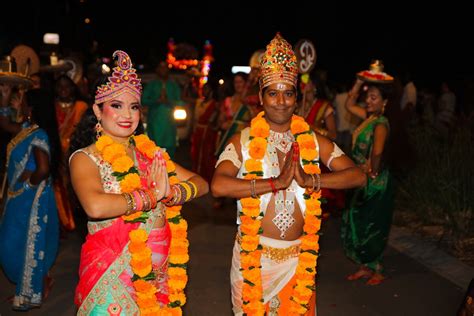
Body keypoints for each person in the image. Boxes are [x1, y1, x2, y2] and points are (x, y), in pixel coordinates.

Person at [211, 33, 366, 315]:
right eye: (273, 92)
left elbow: (357, 176)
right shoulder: (243, 141)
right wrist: (274, 183)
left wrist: (311, 180)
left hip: (298, 261)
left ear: (297, 97)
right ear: (261, 97)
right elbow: (219, 186)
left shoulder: (313, 140)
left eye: (288, 92)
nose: (281, 101)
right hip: (253, 262)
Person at [69, 51, 208, 315]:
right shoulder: (85, 158)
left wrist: (174, 193)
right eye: (116, 105)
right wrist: (151, 196)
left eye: (134, 106)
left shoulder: (149, 153)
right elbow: (95, 206)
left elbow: (201, 184)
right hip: (111, 270)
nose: (127, 115)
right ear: (98, 111)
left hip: (159, 269)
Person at [0, 83, 59, 311]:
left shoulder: (39, 134)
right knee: (12, 244)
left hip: (29, 198)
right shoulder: (27, 128)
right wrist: (5, 99)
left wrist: (27, 185)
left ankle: (31, 288)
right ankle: (29, 284)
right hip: (17, 197)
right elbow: (4, 124)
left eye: (23, 99)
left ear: (32, 107)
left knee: (17, 244)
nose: (19, 101)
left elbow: (43, 168)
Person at [342, 71, 394, 286]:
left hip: (375, 182)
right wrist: (359, 82)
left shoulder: (380, 123)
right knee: (358, 222)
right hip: (361, 178)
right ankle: (365, 266)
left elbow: (378, 152)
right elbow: (348, 104)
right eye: (368, 96)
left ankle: (378, 269)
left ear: (384, 102)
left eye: (374, 97)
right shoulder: (369, 118)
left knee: (373, 225)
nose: (368, 101)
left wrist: (371, 171)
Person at [54, 74, 89, 231]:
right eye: (60, 86)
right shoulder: (51, 106)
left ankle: (77, 219)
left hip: (76, 152)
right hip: (55, 153)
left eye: (67, 86)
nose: (63, 89)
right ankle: (62, 220)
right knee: (58, 187)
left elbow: (85, 132)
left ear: (73, 88)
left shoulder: (81, 107)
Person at [142, 61, 182, 159]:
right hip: (155, 122)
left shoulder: (173, 85)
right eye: (161, 67)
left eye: (165, 67)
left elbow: (180, 101)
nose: (163, 69)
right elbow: (143, 100)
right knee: (154, 150)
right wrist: (156, 100)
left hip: (169, 123)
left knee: (169, 152)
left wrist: (168, 101)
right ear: (157, 70)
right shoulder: (152, 85)